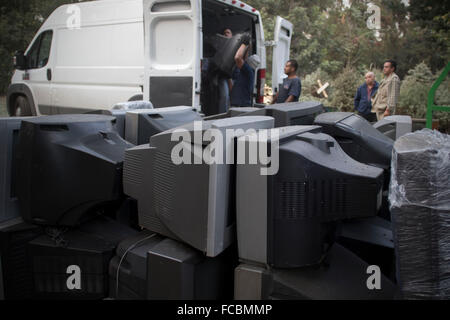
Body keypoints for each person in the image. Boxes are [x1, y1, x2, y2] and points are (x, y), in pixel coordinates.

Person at [230, 41, 261, 107]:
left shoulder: (248, 70)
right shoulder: (249, 71)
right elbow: (245, 59)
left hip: (240, 105)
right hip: (241, 103)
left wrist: (244, 43)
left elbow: (237, 58)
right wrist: (248, 47)